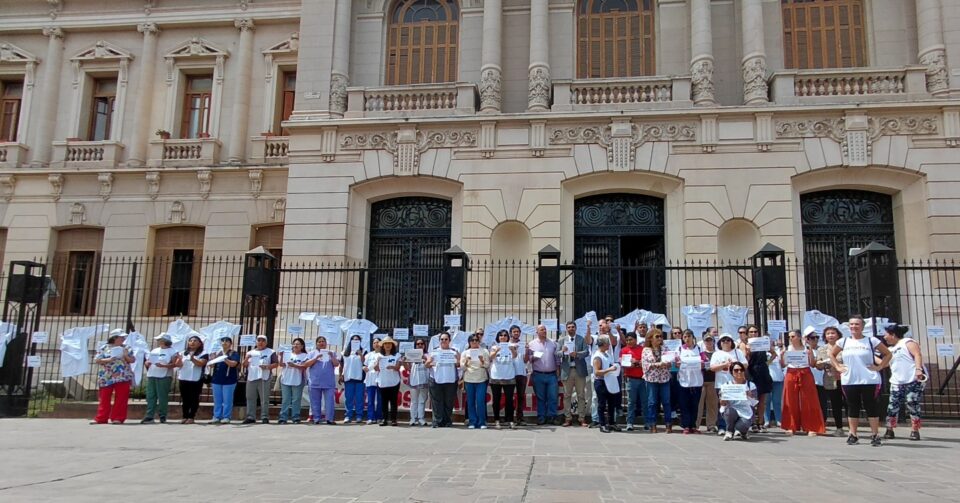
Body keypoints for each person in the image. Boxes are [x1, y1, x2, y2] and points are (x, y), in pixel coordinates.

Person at [829, 315, 892, 446]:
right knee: (852, 407)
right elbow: (831, 354)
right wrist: (837, 366)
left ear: (862, 326)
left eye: (857, 324)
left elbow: (888, 354)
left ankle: (875, 435)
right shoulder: (843, 341)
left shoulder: (871, 341)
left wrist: (879, 367)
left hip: (869, 380)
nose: (854, 327)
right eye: (851, 324)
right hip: (850, 380)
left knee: (871, 407)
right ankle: (853, 434)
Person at [779, 329, 825, 436]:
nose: (791, 339)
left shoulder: (807, 348)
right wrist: (782, 355)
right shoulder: (787, 349)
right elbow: (783, 365)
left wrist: (810, 355)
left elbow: (813, 364)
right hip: (791, 373)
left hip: (805, 372)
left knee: (809, 399)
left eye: (793, 336)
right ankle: (791, 426)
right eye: (789, 337)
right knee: (790, 400)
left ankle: (811, 426)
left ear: (799, 337)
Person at [883, 324, 925, 441]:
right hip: (897, 380)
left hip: (912, 378)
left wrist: (918, 369)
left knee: (912, 403)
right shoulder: (890, 349)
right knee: (892, 405)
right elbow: (885, 363)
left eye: (886, 334)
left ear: (893, 334)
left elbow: (917, 354)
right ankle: (889, 428)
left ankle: (915, 430)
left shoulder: (908, 342)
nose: (884, 337)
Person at [90, 333, 135, 425]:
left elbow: (132, 360)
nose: (123, 339)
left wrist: (126, 355)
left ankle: (118, 418)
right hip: (106, 376)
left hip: (123, 376)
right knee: (104, 397)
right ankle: (101, 418)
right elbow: (97, 360)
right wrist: (109, 359)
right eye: (121, 337)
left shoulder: (126, 347)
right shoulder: (104, 347)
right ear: (114, 338)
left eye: (124, 337)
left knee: (121, 398)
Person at [741, 324, 775, 433]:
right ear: (747, 334)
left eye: (755, 332)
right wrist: (748, 351)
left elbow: (774, 354)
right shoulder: (744, 345)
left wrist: (767, 363)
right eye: (751, 332)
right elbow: (744, 360)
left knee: (762, 400)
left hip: (763, 372)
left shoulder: (763, 343)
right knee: (751, 399)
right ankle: (752, 422)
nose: (753, 334)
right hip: (751, 372)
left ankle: (761, 422)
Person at [527, 324, 560, 425]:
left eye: (545, 329)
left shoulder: (553, 343)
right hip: (538, 374)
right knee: (540, 398)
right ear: (537, 332)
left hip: (552, 375)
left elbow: (557, 358)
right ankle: (541, 417)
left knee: (553, 397)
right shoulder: (531, 344)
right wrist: (533, 358)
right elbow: (528, 358)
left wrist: (558, 369)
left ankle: (552, 416)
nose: (544, 331)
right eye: (542, 330)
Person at [142, 333, 179, 424]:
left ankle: (162, 415)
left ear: (165, 341)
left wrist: (164, 366)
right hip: (152, 374)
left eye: (159, 340)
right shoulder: (155, 350)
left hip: (164, 376)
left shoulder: (173, 351)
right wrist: (147, 363)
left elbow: (175, 364)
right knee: (151, 396)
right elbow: (149, 360)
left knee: (162, 396)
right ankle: (149, 415)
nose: (158, 341)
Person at [560, 321, 591, 427]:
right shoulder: (562, 340)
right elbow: (556, 353)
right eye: (569, 327)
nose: (571, 328)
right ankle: (567, 418)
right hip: (567, 370)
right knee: (567, 395)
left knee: (581, 395)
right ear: (566, 329)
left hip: (579, 370)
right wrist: (563, 351)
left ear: (576, 328)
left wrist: (577, 354)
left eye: (573, 327)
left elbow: (587, 352)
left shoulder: (581, 339)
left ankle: (581, 418)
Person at [242, 334, 278, 424]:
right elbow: (244, 365)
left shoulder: (271, 352)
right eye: (259, 340)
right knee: (250, 397)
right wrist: (246, 359)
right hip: (252, 377)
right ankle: (250, 416)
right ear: (256, 342)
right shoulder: (250, 352)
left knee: (264, 398)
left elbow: (276, 363)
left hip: (264, 377)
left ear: (266, 342)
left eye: (263, 341)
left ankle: (264, 416)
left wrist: (267, 367)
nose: (260, 342)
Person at [426, 332, 460, 427]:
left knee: (449, 402)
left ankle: (447, 420)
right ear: (439, 341)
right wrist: (430, 363)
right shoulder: (434, 352)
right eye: (442, 339)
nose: (444, 341)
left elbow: (458, 365)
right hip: (436, 379)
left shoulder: (454, 352)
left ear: (449, 340)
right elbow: (426, 365)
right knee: (436, 402)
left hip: (450, 380)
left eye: (446, 339)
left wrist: (457, 360)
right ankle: (437, 421)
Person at [642, 328, 672, 433]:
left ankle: (668, 424)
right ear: (650, 339)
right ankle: (652, 424)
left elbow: (671, 361)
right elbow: (645, 365)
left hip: (664, 378)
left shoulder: (665, 348)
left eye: (661, 336)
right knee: (652, 402)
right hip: (652, 379)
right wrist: (657, 364)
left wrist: (669, 363)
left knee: (666, 401)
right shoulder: (646, 350)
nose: (660, 338)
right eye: (657, 336)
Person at [305, 335, 339, 424]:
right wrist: (316, 358)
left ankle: (329, 418)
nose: (321, 343)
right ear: (316, 344)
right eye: (319, 341)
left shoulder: (331, 352)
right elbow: (306, 364)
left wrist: (332, 357)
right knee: (315, 401)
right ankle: (316, 418)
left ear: (326, 343)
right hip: (315, 381)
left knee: (329, 401)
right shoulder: (312, 353)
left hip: (328, 381)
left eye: (323, 341)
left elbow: (336, 364)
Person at [819, 326, 846, 436]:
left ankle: (852, 426)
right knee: (836, 404)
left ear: (838, 335)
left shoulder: (845, 347)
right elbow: (818, 365)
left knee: (849, 403)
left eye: (833, 333)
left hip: (844, 378)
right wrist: (819, 364)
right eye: (828, 333)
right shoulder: (822, 349)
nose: (830, 335)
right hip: (830, 379)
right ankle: (839, 427)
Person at [720, 361, 758, 441]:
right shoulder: (726, 386)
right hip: (732, 410)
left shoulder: (750, 385)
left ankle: (743, 432)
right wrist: (723, 398)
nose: (739, 372)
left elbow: (755, 403)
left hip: (746, 411)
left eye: (741, 370)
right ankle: (729, 431)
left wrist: (750, 396)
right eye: (736, 370)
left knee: (741, 426)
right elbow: (722, 404)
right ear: (731, 372)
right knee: (729, 411)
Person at [677, 330, 706, 434]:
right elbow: (676, 362)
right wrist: (677, 363)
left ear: (693, 337)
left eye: (689, 336)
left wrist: (703, 364)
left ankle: (693, 425)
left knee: (695, 404)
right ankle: (686, 425)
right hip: (684, 381)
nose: (687, 338)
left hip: (697, 381)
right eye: (685, 336)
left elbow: (704, 361)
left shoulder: (699, 348)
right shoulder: (680, 349)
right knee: (684, 404)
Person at [175, 335, 208, 424]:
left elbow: (201, 363)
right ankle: (185, 416)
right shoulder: (183, 353)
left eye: (195, 341)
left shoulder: (203, 353)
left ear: (200, 343)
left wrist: (192, 358)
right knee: (185, 398)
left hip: (196, 379)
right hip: (183, 378)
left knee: (194, 398)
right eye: (190, 341)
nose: (192, 342)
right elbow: (178, 365)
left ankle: (191, 416)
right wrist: (179, 359)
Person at [489, 330, 517, 429]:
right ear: (498, 337)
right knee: (496, 400)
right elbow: (490, 357)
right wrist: (496, 351)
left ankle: (510, 420)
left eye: (505, 335)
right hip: (496, 376)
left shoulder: (511, 345)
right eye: (501, 335)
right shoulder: (494, 346)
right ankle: (497, 420)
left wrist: (512, 349)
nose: (503, 337)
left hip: (509, 376)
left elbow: (515, 356)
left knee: (509, 400)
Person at [460, 334, 490, 429]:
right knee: (470, 401)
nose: (474, 342)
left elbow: (487, 365)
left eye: (476, 340)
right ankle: (472, 421)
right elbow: (462, 367)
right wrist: (466, 362)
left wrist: (482, 361)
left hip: (481, 379)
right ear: (469, 342)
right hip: (469, 379)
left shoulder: (484, 351)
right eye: (472, 340)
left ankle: (482, 422)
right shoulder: (465, 353)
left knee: (480, 401)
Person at [209, 336, 241, 424]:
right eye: (223, 341)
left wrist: (224, 359)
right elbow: (211, 366)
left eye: (227, 341)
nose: (224, 342)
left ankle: (226, 416)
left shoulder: (233, 353)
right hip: (216, 379)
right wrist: (212, 360)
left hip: (229, 380)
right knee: (217, 399)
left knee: (227, 399)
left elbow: (233, 364)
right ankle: (216, 416)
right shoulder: (217, 353)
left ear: (230, 344)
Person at [592, 336, 620, 433]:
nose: (609, 345)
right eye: (607, 343)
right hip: (601, 382)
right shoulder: (597, 356)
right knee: (602, 404)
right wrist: (610, 369)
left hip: (609, 380)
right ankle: (602, 424)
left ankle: (611, 422)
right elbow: (597, 372)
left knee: (612, 403)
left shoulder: (607, 354)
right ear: (603, 344)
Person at [278, 337, 309, 424]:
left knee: (296, 399)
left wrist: (295, 365)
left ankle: (295, 417)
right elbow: (281, 364)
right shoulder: (287, 354)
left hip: (297, 379)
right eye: (294, 344)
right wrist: (281, 356)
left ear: (302, 346)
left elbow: (304, 366)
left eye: (298, 344)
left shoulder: (305, 356)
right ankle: (283, 417)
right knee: (286, 399)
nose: (295, 345)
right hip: (286, 379)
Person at [621, 332, 645, 431]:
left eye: (631, 340)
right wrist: (631, 363)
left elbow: (646, 362)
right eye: (627, 340)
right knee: (631, 402)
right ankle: (630, 423)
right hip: (630, 379)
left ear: (636, 340)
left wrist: (638, 362)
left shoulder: (642, 349)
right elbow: (623, 363)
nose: (629, 342)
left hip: (643, 378)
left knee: (645, 402)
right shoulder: (624, 350)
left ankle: (647, 422)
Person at [403, 338, 430, 426]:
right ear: (415, 345)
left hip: (424, 380)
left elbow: (430, 365)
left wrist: (425, 358)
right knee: (414, 401)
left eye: (422, 343)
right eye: (418, 344)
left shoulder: (428, 355)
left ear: (424, 345)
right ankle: (413, 418)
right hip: (414, 380)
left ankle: (421, 418)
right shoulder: (412, 355)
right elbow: (408, 368)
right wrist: (404, 361)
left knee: (422, 401)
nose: (420, 345)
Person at [375, 336, 401, 426]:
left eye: (389, 343)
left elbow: (398, 367)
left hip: (394, 382)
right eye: (386, 343)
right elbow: (376, 369)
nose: (388, 345)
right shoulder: (379, 356)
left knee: (393, 402)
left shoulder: (397, 355)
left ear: (392, 345)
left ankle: (394, 419)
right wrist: (377, 362)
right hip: (382, 382)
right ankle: (384, 419)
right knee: (384, 402)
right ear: (383, 346)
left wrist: (393, 367)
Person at [340, 334, 366, 423]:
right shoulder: (345, 352)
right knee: (349, 398)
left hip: (360, 378)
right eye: (354, 340)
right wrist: (340, 375)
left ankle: (359, 415)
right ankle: (348, 415)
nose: (355, 341)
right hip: (348, 377)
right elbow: (341, 364)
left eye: (357, 340)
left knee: (359, 398)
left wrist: (360, 354)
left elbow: (365, 363)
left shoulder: (364, 351)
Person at [696, 332, 719, 433]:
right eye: (707, 340)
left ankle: (711, 424)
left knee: (712, 404)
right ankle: (696, 425)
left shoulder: (717, 354)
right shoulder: (700, 353)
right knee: (699, 404)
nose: (709, 342)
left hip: (713, 380)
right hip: (701, 380)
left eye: (711, 340)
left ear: (714, 341)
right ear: (704, 342)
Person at [509, 325, 529, 426]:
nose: (516, 333)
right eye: (514, 332)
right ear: (510, 333)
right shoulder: (507, 345)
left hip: (521, 373)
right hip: (510, 373)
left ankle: (520, 417)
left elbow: (526, 360)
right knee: (510, 397)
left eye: (518, 331)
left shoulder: (523, 344)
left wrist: (527, 350)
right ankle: (510, 418)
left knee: (521, 396)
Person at [765, 337, 785, 429]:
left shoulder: (779, 350)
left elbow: (783, 364)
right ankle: (766, 420)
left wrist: (783, 354)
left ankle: (779, 420)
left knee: (777, 401)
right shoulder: (762, 352)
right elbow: (765, 364)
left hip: (778, 379)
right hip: (767, 379)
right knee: (766, 401)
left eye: (770, 341)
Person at [363, 337, 382, 424]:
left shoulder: (383, 355)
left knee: (380, 400)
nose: (376, 344)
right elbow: (364, 365)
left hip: (380, 380)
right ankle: (371, 417)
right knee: (370, 400)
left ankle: (379, 417)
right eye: (374, 343)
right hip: (370, 380)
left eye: (378, 342)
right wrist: (364, 368)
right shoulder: (368, 355)